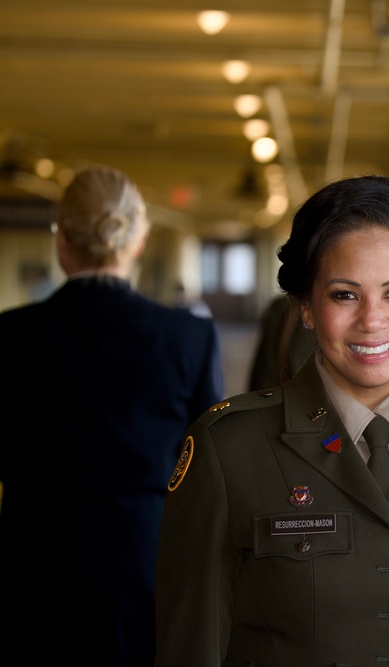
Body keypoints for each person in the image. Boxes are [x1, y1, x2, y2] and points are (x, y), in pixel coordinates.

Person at [155, 175, 389, 666]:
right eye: (345, 295)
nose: (371, 319)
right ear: (304, 307)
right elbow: (188, 649)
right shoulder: (229, 450)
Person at [0, 165, 224, 666]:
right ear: (138, 240)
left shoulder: (10, 337)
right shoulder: (186, 338)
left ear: (61, 241)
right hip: (146, 562)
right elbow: (210, 469)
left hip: (32, 564)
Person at [248, 293, 389, 411]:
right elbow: (263, 396)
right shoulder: (284, 315)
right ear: (307, 307)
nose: (371, 322)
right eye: (345, 295)